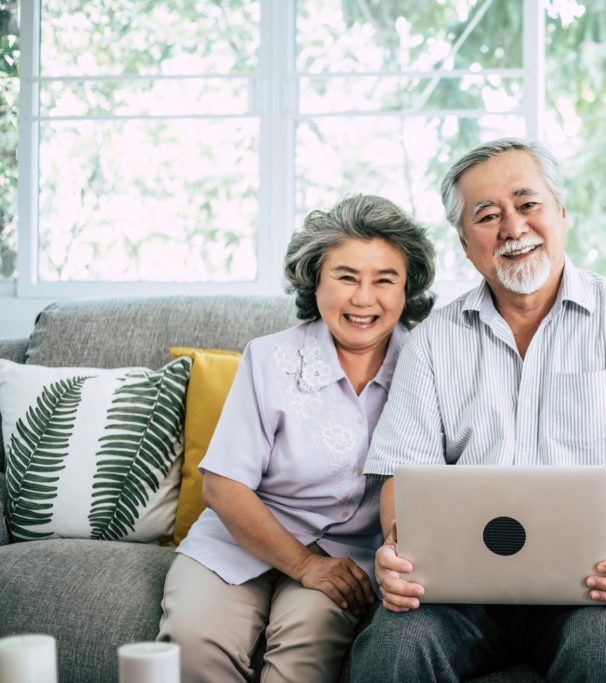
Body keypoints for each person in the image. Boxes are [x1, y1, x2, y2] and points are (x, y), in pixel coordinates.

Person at [350, 139, 606, 682]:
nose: (513, 228)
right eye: (487, 215)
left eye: (528, 204)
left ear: (563, 214)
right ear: (467, 244)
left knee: (604, 654)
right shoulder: (432, 341)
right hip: (458, 584)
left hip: (593, 576)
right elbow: (404, 474)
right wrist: (399, 551)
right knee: (391, 650)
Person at [157, 195, 435, 683]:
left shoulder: (428, 368)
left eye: (384, 279)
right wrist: (303, 564)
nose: (364, 298)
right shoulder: (268, 358)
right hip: (239, 540)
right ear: (315, 280)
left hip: (348, 560)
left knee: (304, 652)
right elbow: (223, 487)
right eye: (346, 276)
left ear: (407, 288)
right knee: (194, 643)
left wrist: (322, 570)